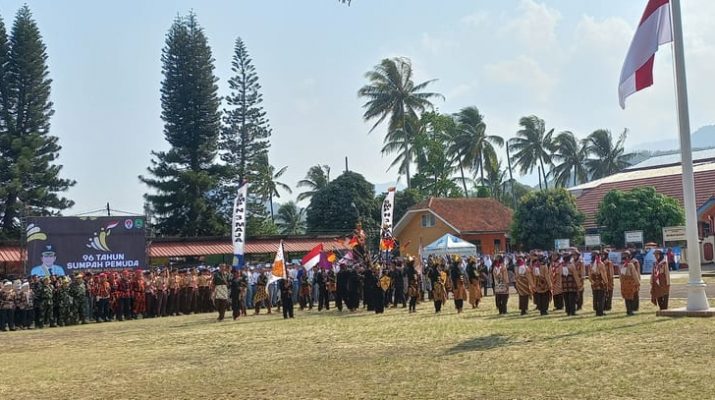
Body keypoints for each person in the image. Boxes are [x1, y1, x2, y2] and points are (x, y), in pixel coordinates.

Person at [620, 251, 641, 316]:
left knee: (627, 297)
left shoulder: (621, 265)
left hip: (624, 283)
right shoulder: (630, 264)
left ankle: (628, 310)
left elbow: (621, 276)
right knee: (631, 297)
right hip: (630, 283)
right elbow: (634, 274)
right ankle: (631, 310)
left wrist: (622, 283)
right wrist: (638, 282)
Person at [589, 252, 608, 317]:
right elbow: (603, 274)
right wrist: (606, 282)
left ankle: (597, 311)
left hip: (594, 283)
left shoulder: (591, 264)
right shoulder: (601, 264)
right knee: (601, 298)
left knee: (595, 297)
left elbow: (589, 275)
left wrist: (591, 281)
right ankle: (600, 312)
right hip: (600, 282)